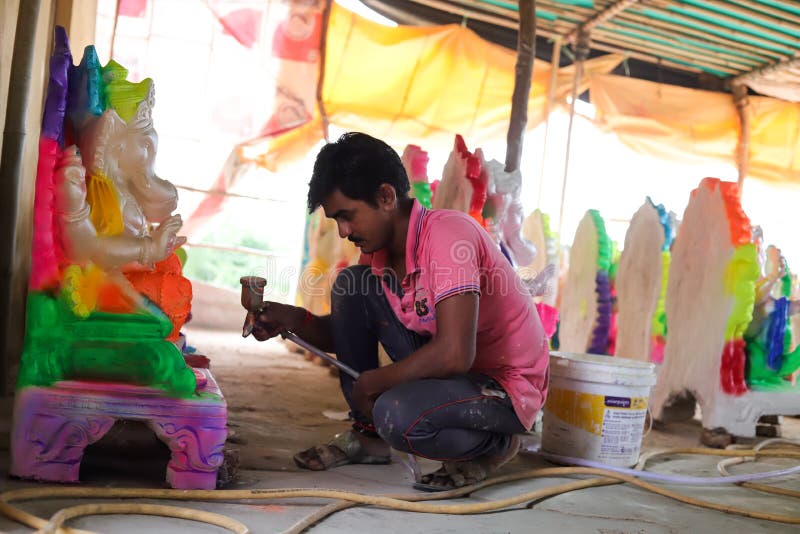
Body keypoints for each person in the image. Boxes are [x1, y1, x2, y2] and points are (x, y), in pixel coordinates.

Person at [248, 132, 549, 490]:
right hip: (458, 373)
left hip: (502, 387)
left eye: (348, 216)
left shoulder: (447, 236)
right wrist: (294, 320)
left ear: (386, 197)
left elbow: (454, 353)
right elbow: (348, 332)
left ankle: (494, 444)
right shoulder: (378, 252)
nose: (343, 231)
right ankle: (369, 437)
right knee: (350, 285)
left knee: (397, 415)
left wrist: (378, 381)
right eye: (336, 221)